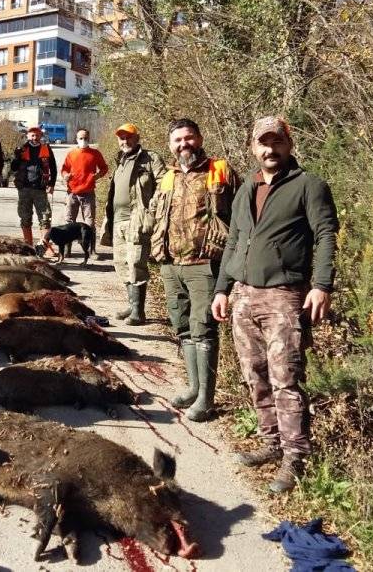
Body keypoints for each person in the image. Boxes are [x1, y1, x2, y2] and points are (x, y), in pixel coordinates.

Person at [211, 116, 338, 493]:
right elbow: (234, 240)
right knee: (255, 375)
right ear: (253, 147)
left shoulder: (308, 186)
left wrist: (321, 285)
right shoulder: (245, 188)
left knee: (286, 379)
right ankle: (271, 443)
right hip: (243, 295)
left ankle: (295, 457)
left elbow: (326, 234)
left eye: (277, 142)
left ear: (289, 144)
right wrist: (222, 289)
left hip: (284, 295)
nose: (270, 150)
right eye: (263, 143)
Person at [147, 118, 240, 422]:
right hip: (171, 265)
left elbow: (242, 217)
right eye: (177, 140)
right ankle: (193, 387)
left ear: (199, 138)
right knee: (184, 328)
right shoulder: (167, 176)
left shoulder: (220, 171)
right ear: (170, 145)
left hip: (205, 265)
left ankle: (206, 399)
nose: (184, 144)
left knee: (203, 330)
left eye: (189, 138)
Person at [100, 123, 160, 326]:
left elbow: (164, 185)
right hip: (117, 219)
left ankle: (139, 312)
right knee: (121, 264)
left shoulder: (151, 158)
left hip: (138, 219)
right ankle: (131, 305)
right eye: (121, 138)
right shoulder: (121, 160)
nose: (125, 141)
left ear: (137, 138)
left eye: (129, 137)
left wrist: (153, 208)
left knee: (136, 263)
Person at [10, 120, 57, 248]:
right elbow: (13, 168)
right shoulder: (21, 149)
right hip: (24, 189)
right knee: (25, 218)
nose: (34, 137)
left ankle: (44, 245)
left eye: (37, 135)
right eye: (32, 135)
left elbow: (53, 167)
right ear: (28, 136)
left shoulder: (46, 148)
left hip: (41, 189)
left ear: (40, 136)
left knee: (45, 218)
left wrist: (52, 184)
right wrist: (17, 156)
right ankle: (28, 246)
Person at [60, 127, 109, 229]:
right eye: (81, 138)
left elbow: (104, 168)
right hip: (72, 192)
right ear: (76, 139)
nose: (83, 140)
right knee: (69, 222)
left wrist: (97, 176)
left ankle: (88, 243)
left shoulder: (95, 153)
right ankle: (68, 244)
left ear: (89, 139)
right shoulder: (71, 154)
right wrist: (65, 176)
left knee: (89, 223)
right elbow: (64, 169)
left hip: (88, 192)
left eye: (85, 138)